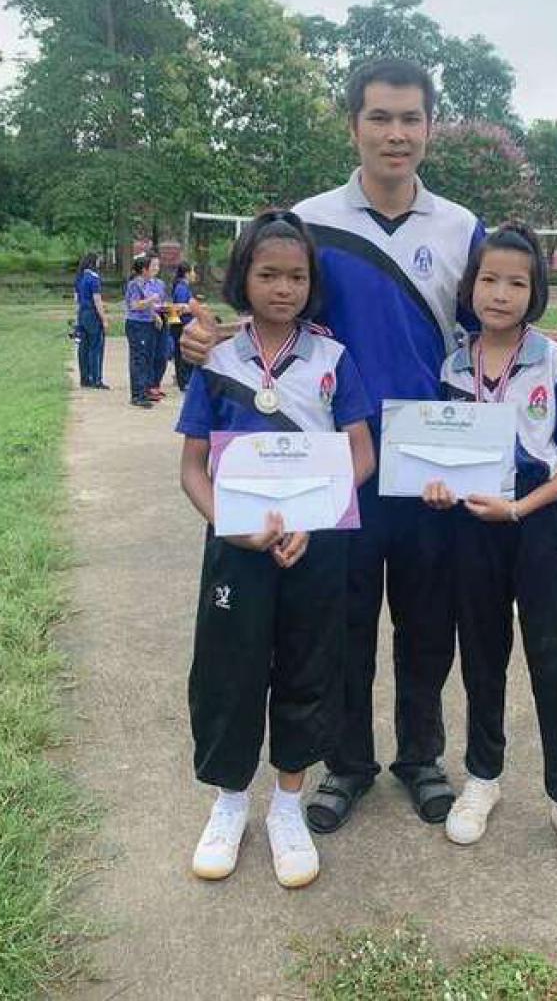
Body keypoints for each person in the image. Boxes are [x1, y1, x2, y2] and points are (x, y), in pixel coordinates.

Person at [179, 58, 557, 834]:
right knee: (339, 623)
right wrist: (205, 337)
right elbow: (274, 302)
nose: (396, 133)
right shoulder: (312, 219)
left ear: (430, 127)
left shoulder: (461, 228)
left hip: (431, 463)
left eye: (411, 118)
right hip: (336, 461)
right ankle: (346, 763)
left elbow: (496, 319)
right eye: (380, 117)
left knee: (426, 622)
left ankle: (420, 756)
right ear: (354, 125)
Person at [177, 211, 375, 887]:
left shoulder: (332, 359)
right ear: (244, 278)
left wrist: (312, 520)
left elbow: (362, 455)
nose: (283, 288)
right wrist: (229, 523)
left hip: (314, 546)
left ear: (312, 283)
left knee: (307, 668)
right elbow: (192, 469)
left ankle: (288, 806)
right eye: (268, 274)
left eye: (296, 276)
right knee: (228, 673)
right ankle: (230, 803)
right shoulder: (216, 359)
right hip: (237, 549)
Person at [422, 222, 557, 872]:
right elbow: (438, 450)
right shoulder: (453, 365)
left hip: (539, 518)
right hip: (472, 521)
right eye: (489, 279)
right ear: (469, 287)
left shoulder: (555, 362)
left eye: (516, 283)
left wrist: (522, 508)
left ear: (535, 294)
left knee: (553, 658)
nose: (500, 294)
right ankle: (483, 777)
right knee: (481, 653)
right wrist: (437, 487)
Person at [124, 255, 158, 409]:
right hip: (137, 324)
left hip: (147, 323)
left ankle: (144, 390)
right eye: (152, 267)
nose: (154, 270)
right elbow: (134, 305)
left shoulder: (146, 284)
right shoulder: (135, 285)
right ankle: (137, 394)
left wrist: (154, 315)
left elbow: (147, 305)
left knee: (146, 358)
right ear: (144, 270)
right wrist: (151, 300)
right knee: (139, 359)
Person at [74, 252, 109, 389]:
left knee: (84, 347)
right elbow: (97, 300)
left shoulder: (80, 278)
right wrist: (104, 318)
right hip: (92, 314)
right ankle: (96, 378)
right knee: (96, 346)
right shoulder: (94, 278)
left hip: (82, 313)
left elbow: (76, 300)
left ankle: (85, 378)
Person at [145, 253, 169, 399]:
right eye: (153, 265)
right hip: (149, 321)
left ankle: (156, 383)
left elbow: (164, 302)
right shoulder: (142, 283)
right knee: (150, 354)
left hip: (163, 318)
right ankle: (149, 386)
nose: (156, 268)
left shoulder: (160, 284)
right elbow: (143, 303)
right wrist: (154, 315)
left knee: (163, 354)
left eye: (157, 265)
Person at [171, 262, 197, 391]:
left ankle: (185, 379)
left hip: (185, 324)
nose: (195, 274)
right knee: (183, 354)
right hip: (181, 324)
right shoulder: (181, 288)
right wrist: (195, 308)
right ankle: (184, 381)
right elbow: (179, 307)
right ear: (187, 274)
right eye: (193, 271)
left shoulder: (185, 287)